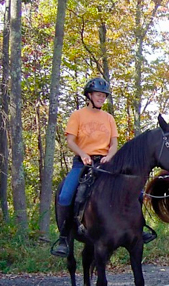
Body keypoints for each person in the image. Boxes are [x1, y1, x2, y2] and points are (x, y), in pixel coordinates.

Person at [51, 77, 154, 257]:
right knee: (66, 195)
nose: (101, 98)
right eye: (98, 95)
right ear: (89, 95)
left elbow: (114, 143)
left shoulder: (108, 118)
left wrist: (109, 156)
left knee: (136, 191)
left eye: (103, 96)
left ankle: (140, 228)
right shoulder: (77, 116)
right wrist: (83, 154)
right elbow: (70, 141)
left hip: (106, 163)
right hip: (83, 163)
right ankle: (64, 238)